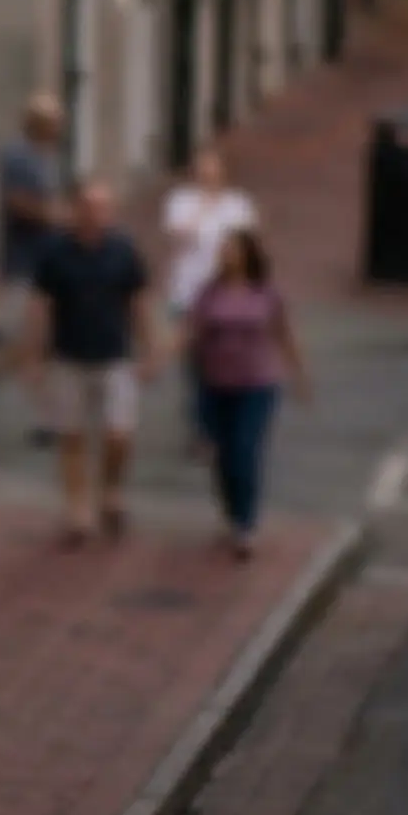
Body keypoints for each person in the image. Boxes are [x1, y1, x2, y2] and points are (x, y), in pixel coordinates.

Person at [25, 179, 158, 545]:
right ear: (75, 210)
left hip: (115, 354)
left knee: (119, 433)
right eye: (88, 207)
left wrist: (150, 349)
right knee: (72, 436)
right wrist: (34, 356)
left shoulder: (123, 250)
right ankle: (77, 509)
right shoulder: (54, 252)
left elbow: (139, 302)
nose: (95, 215)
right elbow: (40, 306)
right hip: (68, 355)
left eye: (103, 208)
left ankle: (111, 489)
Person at [187, 230, 310, 559]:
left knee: (244, 449)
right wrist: (159, 358)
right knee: (222, 455)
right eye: (223, 250)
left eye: (233, 250)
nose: (227, 256)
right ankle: (230, 513)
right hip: (215, 382)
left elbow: (285, 335)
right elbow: (191, 333)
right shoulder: (209, 293)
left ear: (247, 255)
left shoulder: (267, 293)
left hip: (256, 383)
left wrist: (299, 375)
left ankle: (246, 523)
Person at [162, 147, 258, 453]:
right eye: (202, 170)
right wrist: (203, 206)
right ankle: (201, 429)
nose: (207, 176)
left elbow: (248, 248)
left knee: (224, 361)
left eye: (213, 170)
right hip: (189, 294)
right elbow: (180, 236)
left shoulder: (239, 205)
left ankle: (220, 423)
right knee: (195, 364)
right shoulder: (181, 202)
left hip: (226, 298)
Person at [0, 94, 70, 442]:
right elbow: (16, 203)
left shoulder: (48, 158)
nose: (58, 128)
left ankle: (46, 417)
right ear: (35, 121)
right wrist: (56, 215)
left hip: (48, 261)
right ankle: (44, 416)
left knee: (39, 342)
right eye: (53, 121)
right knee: (25, 340)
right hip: (24, 261)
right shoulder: (17, 155)